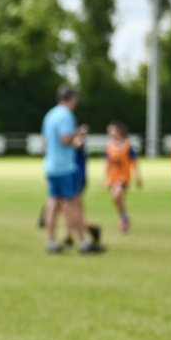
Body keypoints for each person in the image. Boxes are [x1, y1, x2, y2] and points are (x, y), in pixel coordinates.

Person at [41, 85, 102, 255]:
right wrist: (79, 133)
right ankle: (83, 242)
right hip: (65, 166)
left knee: (53, 203)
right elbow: (65, 139)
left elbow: (44, 142)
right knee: (73, 204)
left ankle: (51, 241)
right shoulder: (66, 115)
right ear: (72, 98)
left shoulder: (50, 114)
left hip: (51, 165)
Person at [104, 121, 142, 232]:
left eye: (112, 130)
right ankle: (124, 217)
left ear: (119, 131)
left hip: (123, 176)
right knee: (117, 198)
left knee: (117, 195)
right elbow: (107, 163)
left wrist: (138, 177)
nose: (110, 133)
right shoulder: (109, 146)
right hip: (113, 177)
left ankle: (123, 217)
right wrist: (105, 178)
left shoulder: (127, 145)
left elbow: (134, 161)